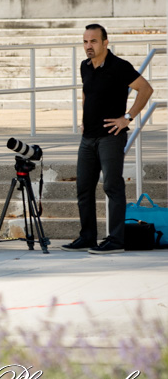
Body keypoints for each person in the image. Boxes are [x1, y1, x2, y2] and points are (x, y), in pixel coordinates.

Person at [61, 24, 153, 255]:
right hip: (88, 137)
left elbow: (146, 89)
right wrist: (85, 119)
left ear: (105, 43)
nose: (88, 46)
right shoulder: (85, 66)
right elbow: (86, 93)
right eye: (85, 41)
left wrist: (127, 118)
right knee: (83, 187)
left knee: (112, 186)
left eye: (93, 41)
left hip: (110, 137)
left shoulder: (119, 66)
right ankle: (88, 236)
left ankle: (116, 240)